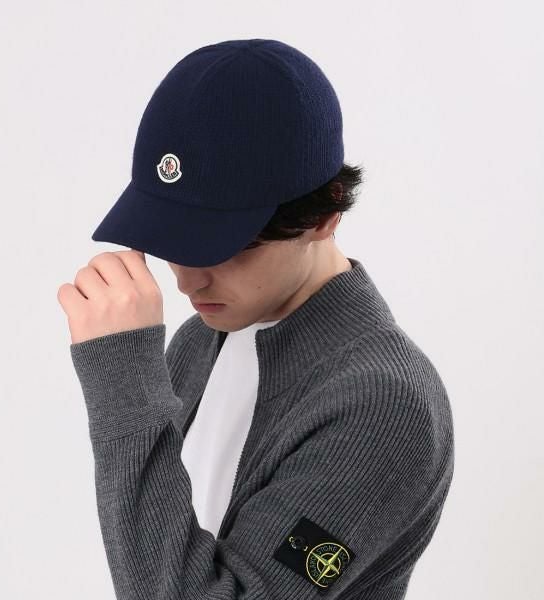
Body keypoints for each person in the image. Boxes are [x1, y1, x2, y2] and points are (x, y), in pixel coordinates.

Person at [58, 38, 454, 600]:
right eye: (172, 239)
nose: (188, 281)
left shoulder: (384, 403)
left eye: (228, 246)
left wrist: (124, 383)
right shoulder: (201, 340)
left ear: (326, 214)